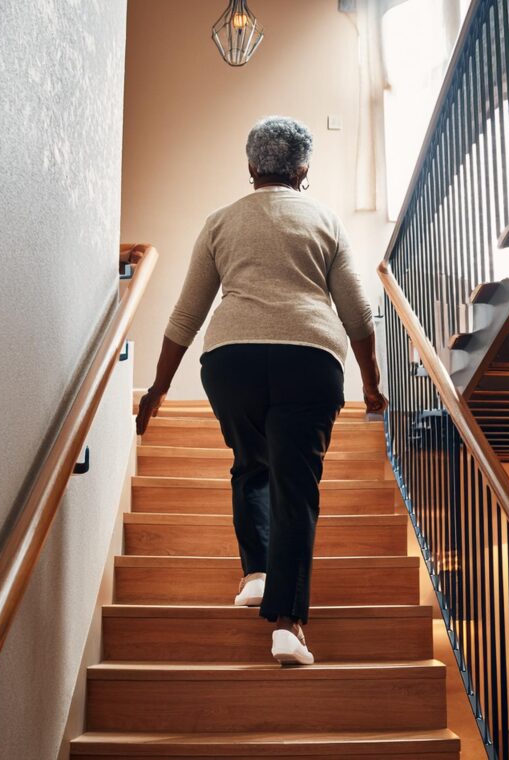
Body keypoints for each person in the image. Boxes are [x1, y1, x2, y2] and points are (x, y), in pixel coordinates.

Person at [136, 115, 387, 666]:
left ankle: (256, 573)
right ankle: (288, 627)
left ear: (251, 168)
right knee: (295, 486)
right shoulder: (326, 221)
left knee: (252, 464)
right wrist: (370, 383)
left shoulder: (220, 222)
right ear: (303, 169)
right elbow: (357, 313)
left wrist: (158, 386)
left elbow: (187, 313)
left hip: (232, 361)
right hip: (309, 359)